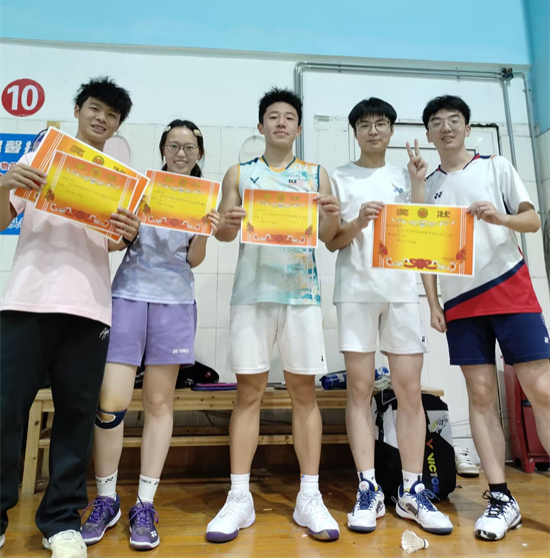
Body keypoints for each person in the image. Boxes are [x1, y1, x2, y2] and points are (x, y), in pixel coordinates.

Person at [0, 77, 138, 558]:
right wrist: (5, 184)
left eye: (112, 115)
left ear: (117, 126)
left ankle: (60, 521)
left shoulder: (119, 179)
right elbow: (2, 218)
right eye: (95, 108)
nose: (102, 119)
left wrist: (128, 231)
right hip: (27, 301)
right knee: (5, 412)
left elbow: (114, 242)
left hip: (89, 307)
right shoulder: (41, 156)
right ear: (78, 109)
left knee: (77, 417)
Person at [205, 87, 341, 542]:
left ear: (298, 128)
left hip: (302, 295)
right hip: (252, 294)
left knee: (305, 394)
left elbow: (329, 236)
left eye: (289, 117)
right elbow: (224, 235)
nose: (281, 123)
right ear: (261, 125)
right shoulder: (239, 173)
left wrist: (331, 215)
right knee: (249, 393)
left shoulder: (316, 174)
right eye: (273, 116)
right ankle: (239, 497)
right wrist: (226, 224)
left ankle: (309, 496)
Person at [80, 119, 219, 551]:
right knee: (110, 402)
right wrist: (128, 224)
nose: (181, 153)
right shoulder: (142, 187)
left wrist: (205, 230)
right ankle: (106, 500)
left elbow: (193, 260)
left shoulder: (204, 196)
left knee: (159, 403)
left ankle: (144, 504)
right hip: (128, 295)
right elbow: (119, 242)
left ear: (199, 154)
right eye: (174, 145)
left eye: (189, 147)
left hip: (174, 302)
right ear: (162, 149)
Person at [419, 94, 550, 541]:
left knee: (542, 390)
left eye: (454, 120)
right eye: (437, 122)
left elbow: (532, 221)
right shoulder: (427, 185)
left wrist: (501, 218)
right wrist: (433, 303)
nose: (446, 127)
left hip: (511, 291)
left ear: (467, 128)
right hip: (461, 303)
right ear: (429, 133)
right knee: (479, 395)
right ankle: (501, 499)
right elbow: (425, 253)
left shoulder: (496, 166)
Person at [326, 97, 452, 535]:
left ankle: (412, 490)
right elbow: (331, 241)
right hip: (355, 293)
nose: (374, 131)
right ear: (355, 132)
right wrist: (358, 222)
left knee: (409, 390)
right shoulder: (338, 177)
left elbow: (421, 236)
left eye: (381, 124)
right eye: (365, 125)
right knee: (360, 389)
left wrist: (417, 184)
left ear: (392, 131)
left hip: (400, 293)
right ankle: (368, 487)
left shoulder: (407, 174)